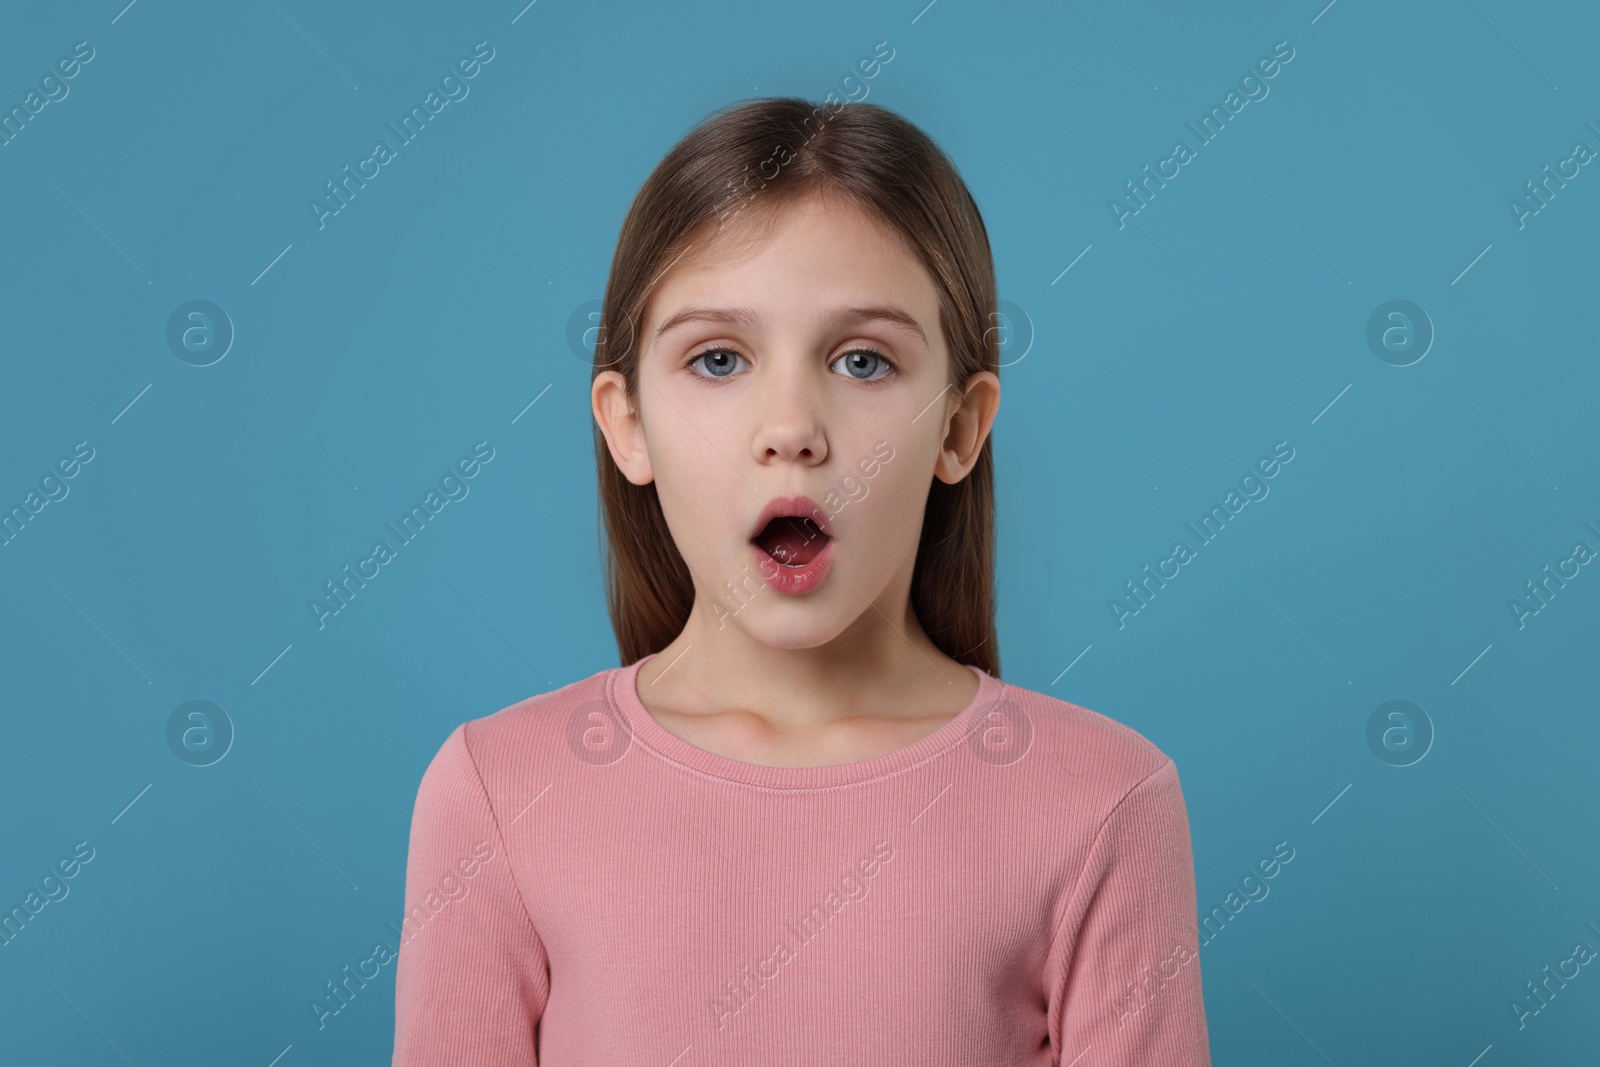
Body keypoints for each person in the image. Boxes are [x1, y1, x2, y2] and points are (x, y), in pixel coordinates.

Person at [392, 96, 1211, 1066]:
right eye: (718, 358)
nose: (791, 426)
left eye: (863, 359)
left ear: (959, 425)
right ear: (627, 425)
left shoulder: (1104, 799)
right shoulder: (496, 793)